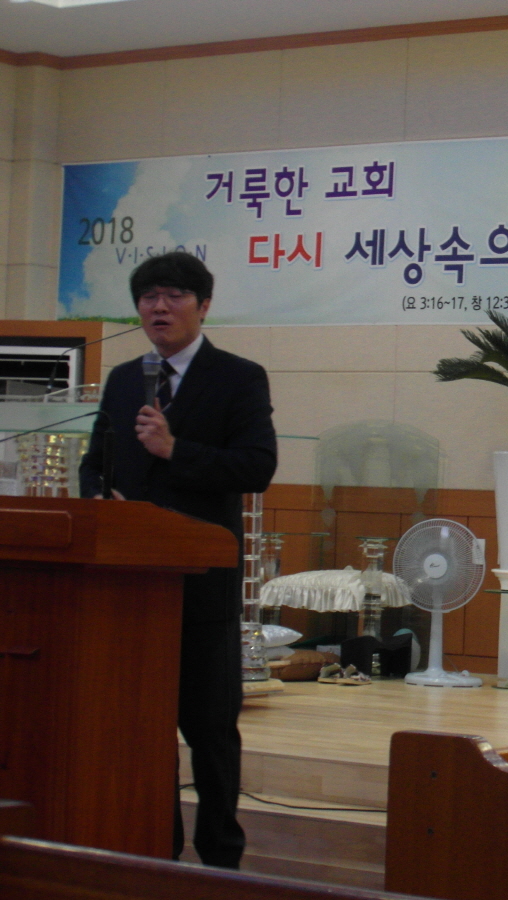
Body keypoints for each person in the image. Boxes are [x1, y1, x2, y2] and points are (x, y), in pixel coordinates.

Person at [80, 251, 277, 868]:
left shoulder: (238, 377)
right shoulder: (123, 379)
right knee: (144, 728)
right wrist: (101, 499)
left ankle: (221, 858)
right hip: (131, 587)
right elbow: (94, 463)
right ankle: (154, 849)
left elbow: (257, 466)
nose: (159, 308)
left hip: (201, 587)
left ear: (203, 305)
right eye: (148, 298)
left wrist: (175, 449)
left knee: (210, 729)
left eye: (173, 296)